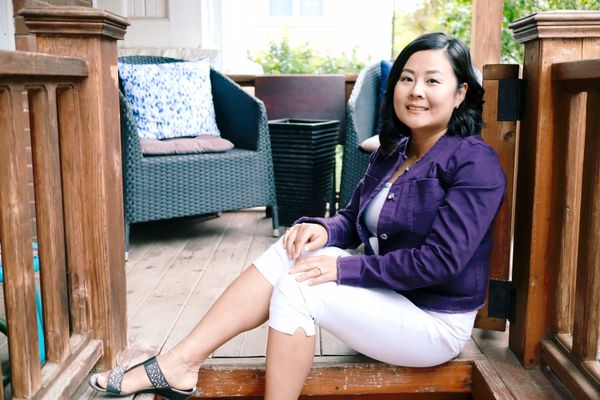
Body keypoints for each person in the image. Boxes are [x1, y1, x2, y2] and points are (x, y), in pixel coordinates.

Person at [89, 32, 506, 400]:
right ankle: (181, 362)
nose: (416, 91)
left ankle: (184, 368)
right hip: (390, 300)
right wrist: (321, 230)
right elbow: (353, 218)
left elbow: (440, 262)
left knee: (299, 289)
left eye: (433, 80)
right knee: (291, 251)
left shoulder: (475, 164)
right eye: (407, 78)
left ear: (460, 93)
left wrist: (346, 271)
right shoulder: (392, 150)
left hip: (434, 323)